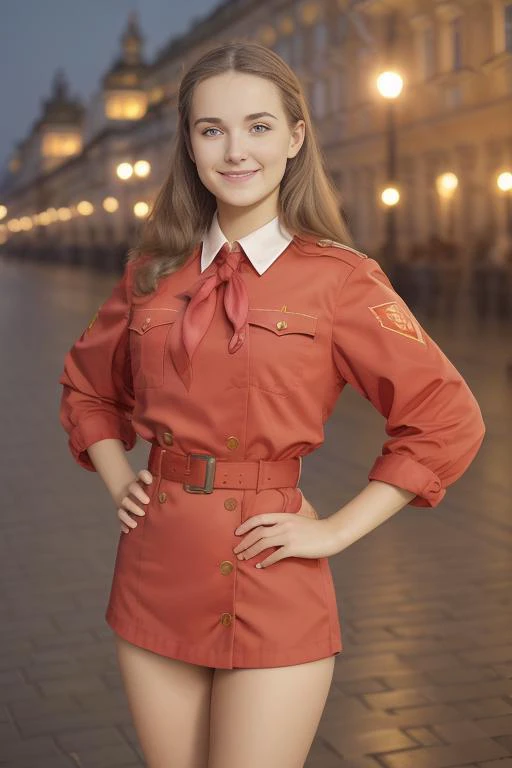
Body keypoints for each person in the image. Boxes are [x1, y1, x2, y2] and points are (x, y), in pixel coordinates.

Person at [58, 42, 486, 768]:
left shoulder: (341, 279)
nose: (234, 151)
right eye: (211, 129)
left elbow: (445, 416)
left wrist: (341, 530)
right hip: (156, 565)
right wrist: (116, 476)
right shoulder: (151, 273)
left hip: (270, 569)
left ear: (294, 138)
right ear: (189, 145)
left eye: (258, 127)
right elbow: (89, 386)